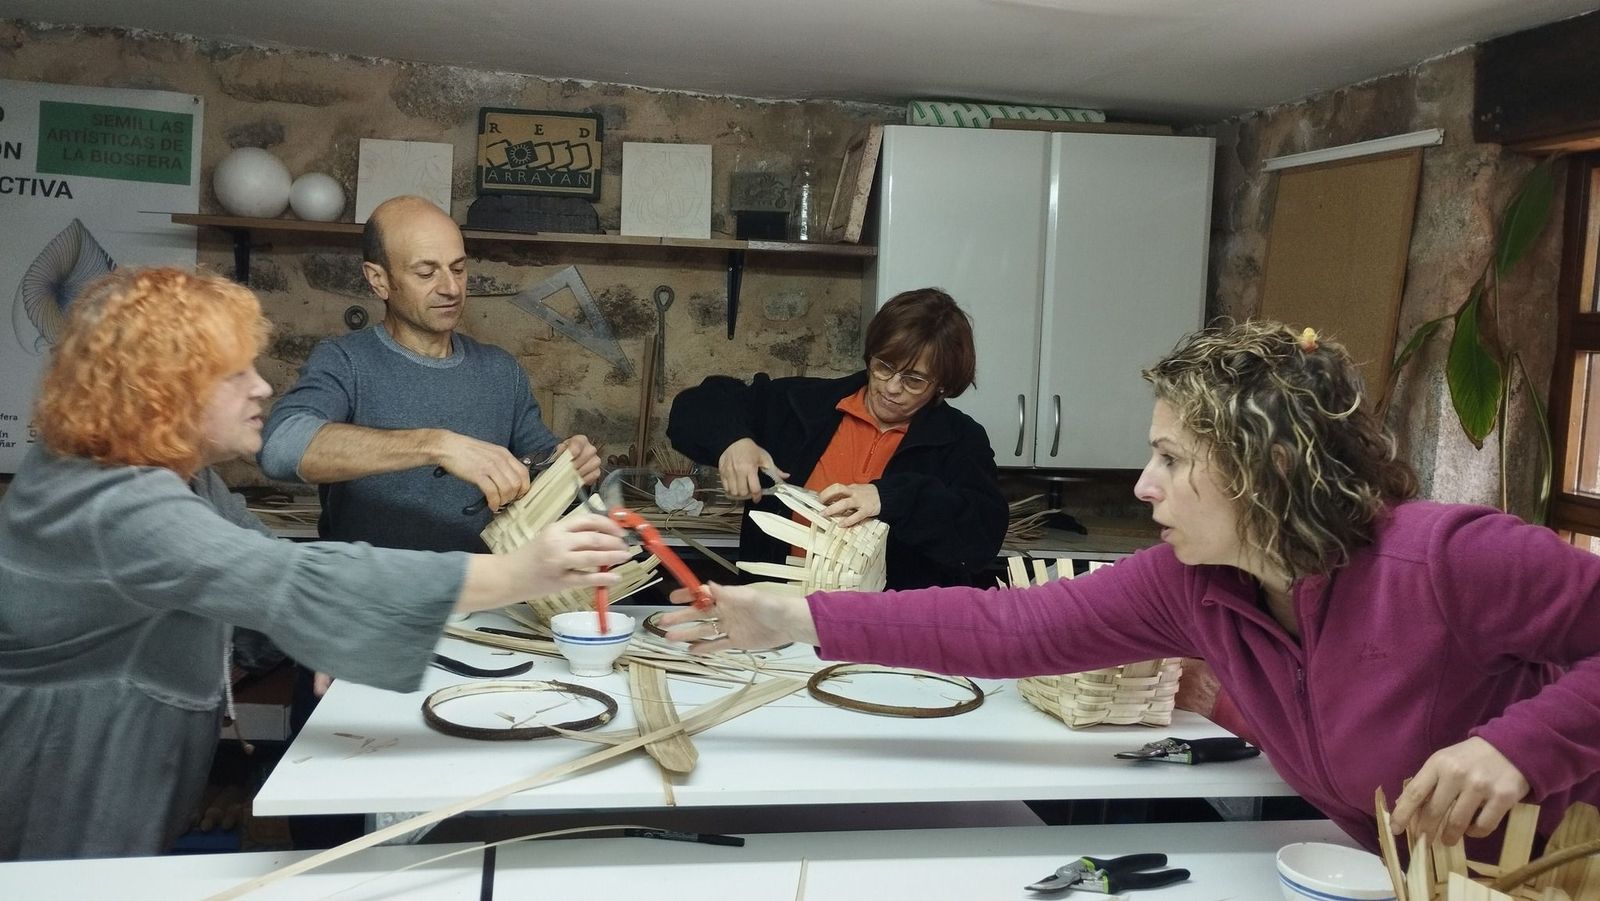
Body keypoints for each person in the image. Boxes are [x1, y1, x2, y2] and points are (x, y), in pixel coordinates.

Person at [661, 320, 1600, 854]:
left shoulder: (1446, 557)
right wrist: (787, 616)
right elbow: (1007, 627)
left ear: (1268, 466)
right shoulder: (1193, 582)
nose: (1144, 485)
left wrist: (1522, 746)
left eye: (1170, 458)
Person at [0, 268, 633, 860]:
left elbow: (260, 566)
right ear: (157, 389)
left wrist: (310, 626)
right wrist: (517, 574)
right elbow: (287, 576)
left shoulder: (176, 480)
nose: (262, 387)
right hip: (62, 806)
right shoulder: (110, 501)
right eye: (232, 374)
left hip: (127, 790)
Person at [258, 194, 601, 554]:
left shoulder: (500, 371)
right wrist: (436, 445)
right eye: (426, 272)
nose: (451, 288)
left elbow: (550, 485)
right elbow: (281, 446)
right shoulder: (346, 361)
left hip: (482, 598)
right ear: (379, 280)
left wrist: (571, 467)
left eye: (458, 268)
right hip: (370, 601)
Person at [667, 287, 1007, 589]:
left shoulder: (960, 440)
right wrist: (733, 440)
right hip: (778, 621)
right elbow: (696, 406)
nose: (891, 387)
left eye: (914, 380)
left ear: (942, 386)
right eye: (884, 366)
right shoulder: (799, 405)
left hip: (891, 635)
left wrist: (889, 499)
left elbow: (981, 534)